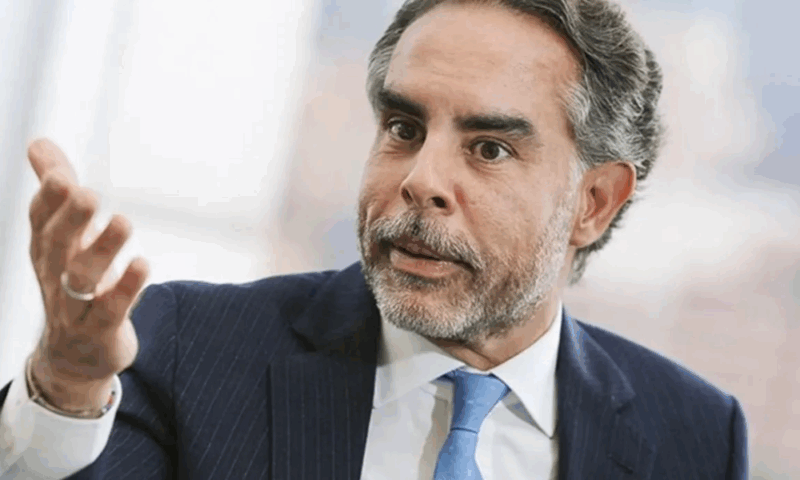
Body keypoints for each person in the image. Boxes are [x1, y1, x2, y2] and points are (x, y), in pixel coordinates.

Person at [0, 0, 748, 478]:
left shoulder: (695, 435)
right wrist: (66, 387)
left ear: (594, 202)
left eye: (488, 148)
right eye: (404, 128)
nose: (420, 180)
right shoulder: (189, 346)